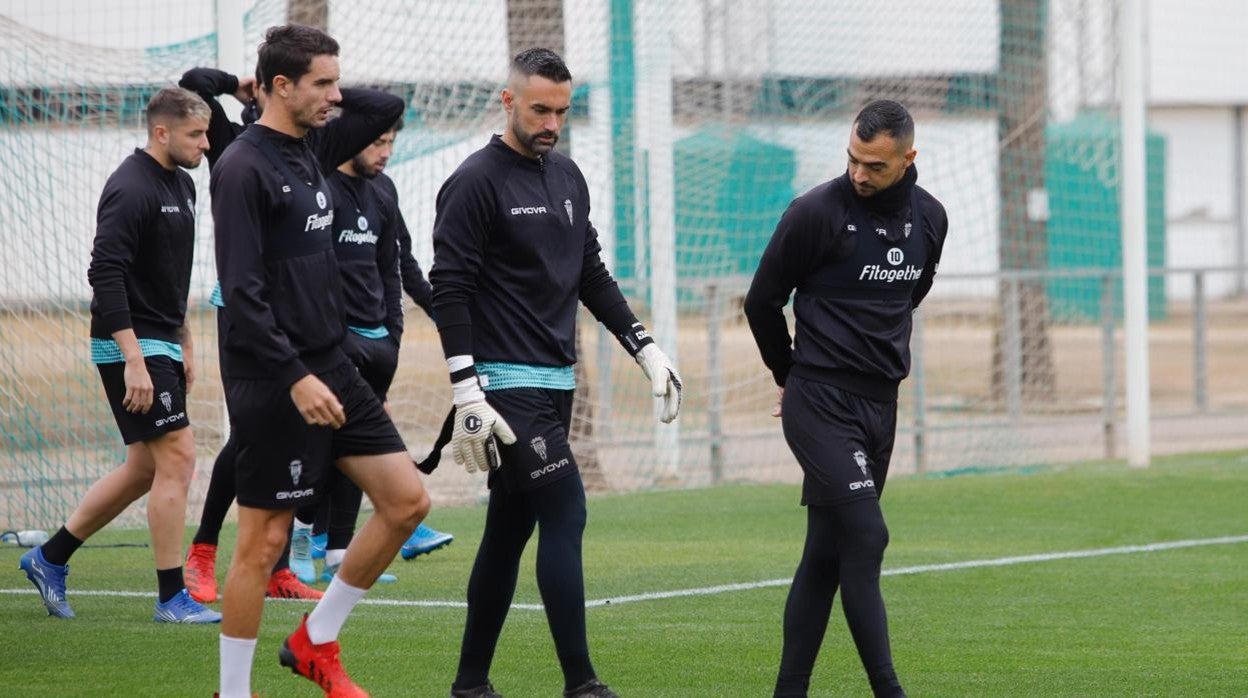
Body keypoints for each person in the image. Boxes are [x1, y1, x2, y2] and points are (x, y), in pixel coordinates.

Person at [431, 47, 683, 698]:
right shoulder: (474, 181)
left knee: (509, 531)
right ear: (509, 101)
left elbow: (589, 273)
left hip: (556, 384)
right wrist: (467, 391)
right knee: (565, 509)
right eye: (540, 109)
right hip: (504, 387)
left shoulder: (568, 177)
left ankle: (468, 685)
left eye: (562, 112)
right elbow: (449, 288)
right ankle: (583, 684)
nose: (551, 122)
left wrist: (644, 346)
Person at [210, 25, 428, 698]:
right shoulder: (242, 167)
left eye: (338, 82)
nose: (336, 96)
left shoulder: (317, 144)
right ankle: (234, 692)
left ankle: (314, 641)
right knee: (262, 544)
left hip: (331, 366)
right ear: (281, 87)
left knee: (406, 501)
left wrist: (322, 91)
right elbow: (242, 296)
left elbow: (385, 105)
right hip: (274, 378)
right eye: (323, 84)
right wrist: (295, 377)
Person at [743, 99, 949, 698]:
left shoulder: (931, 217)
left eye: (876, 165)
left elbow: (911, 295)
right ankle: (889, 689)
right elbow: (761, 303)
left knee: (827, 555)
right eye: (853, 159)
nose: (860, 174)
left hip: (879, 406)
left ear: (909, 158)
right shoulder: (815, 211)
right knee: (867, 535)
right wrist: (793, 377)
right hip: (820, 401)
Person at [19, 87, 221, 624]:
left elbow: (170, 272)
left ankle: (49, 557)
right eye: (195, 135)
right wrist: (133, 357)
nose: (205, 145)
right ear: (161, 132)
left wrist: (186, 341)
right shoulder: (130, 187)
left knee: (142, 469)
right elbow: (104, 274)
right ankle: (170, 598)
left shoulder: (182, 183)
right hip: (126, 341)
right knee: (178, 457)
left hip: (161, 339)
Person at [287, 119, 454, 587]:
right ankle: (301, 536)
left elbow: (399, 264)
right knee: (324, 442)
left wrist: (399, 331)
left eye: (391, 142)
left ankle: (340, 551)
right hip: (335, 343)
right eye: (378, 142)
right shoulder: (322, 189)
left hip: (378, 340)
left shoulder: (385, 191)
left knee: (354, 440)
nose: (386, 152)